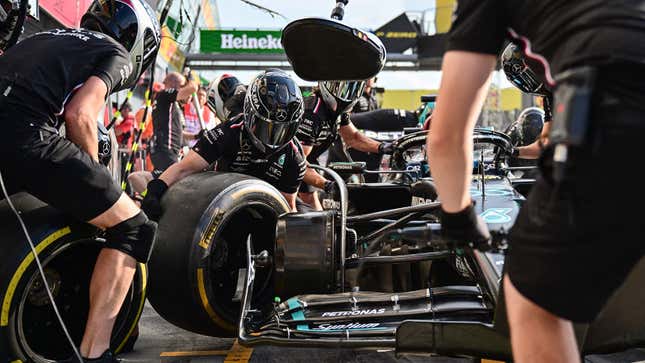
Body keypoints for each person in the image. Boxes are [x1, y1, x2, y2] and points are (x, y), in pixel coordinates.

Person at [426, 1, 645, 362]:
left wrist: (458, 219)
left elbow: (445, 137)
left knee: (529, 296)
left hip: (615, 115)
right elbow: (546, 139)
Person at [0, 0, 161, 361]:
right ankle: (93, 352)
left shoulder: (38, 39)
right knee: (135, 228)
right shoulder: (113, 51)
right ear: (139, 42)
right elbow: (81, 115)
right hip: (26, 136)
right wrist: (93, 189)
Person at [142, 69, 306, 217]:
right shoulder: (228, 132)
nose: (272, 138)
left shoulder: (295, 156)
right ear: (249, 113)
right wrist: (155, 191)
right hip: (221, 205)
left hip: (262, 209)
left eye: (282, 130)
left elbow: (287, 207)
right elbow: (183, 168)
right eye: (265, 127)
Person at [296, 80, 395, 210]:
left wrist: (383, 147)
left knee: (312, 204)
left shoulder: (337, 112)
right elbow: (297, 161)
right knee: (289, 205)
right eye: (343, 89)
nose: (348, 95)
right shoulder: (312, 114)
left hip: (306, 159)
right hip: (283, 161)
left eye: (353, 89)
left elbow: (353, 138)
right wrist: (326, 184)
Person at [150, 71, 198, 173]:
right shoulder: (164, 95)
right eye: (182, 85)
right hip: (166, 149)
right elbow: (193, 88)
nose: (183, 88)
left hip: (168, 150)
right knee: (169, 182)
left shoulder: (172, 104)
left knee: (162, 180)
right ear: (173, 84)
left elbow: (178, 131)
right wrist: (191, 80)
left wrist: (196, 136)